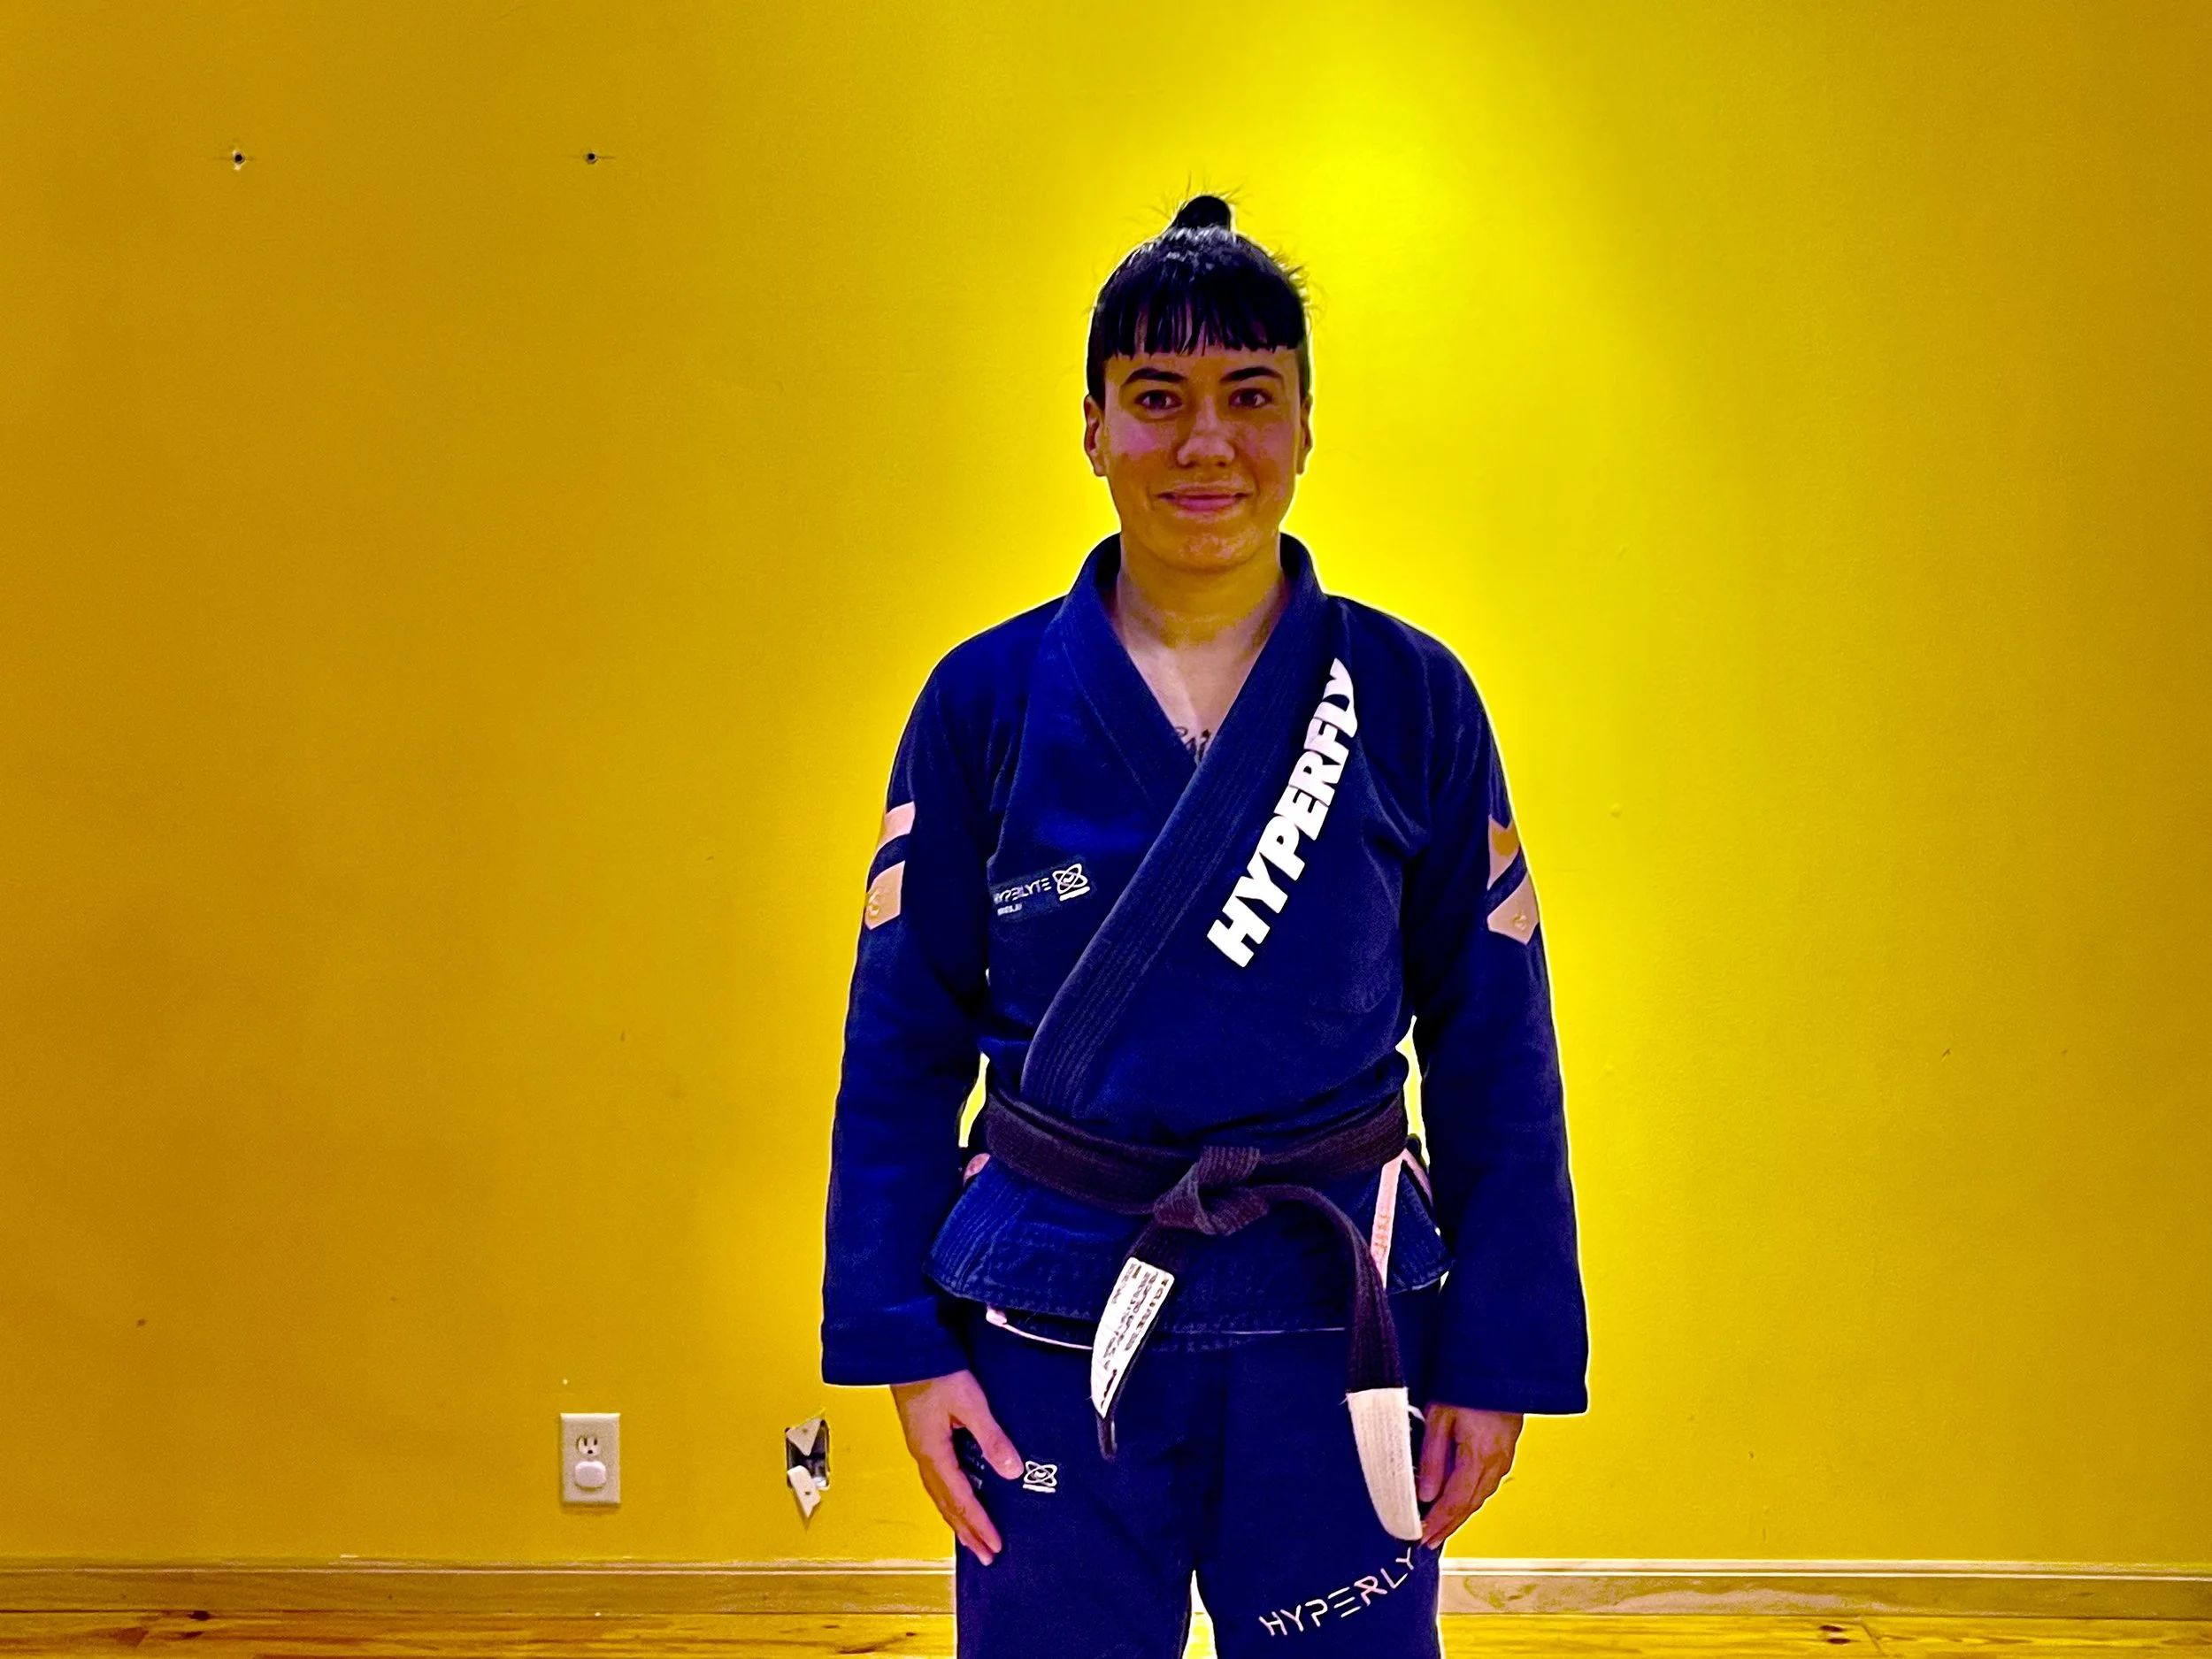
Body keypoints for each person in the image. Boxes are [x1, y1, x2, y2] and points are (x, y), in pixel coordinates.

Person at [820, 194, 1587, 1659]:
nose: (1206, 444)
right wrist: (905, 1345)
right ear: (1094, 426)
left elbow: (1495, 1045)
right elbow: (901, 1039)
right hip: (1051, 1303)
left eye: (1252, 398)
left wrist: (1497, 1351)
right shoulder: (984, 704)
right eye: (1157, 400)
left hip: (1329, 1312)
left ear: (1306, 427)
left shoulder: (1412, 696)